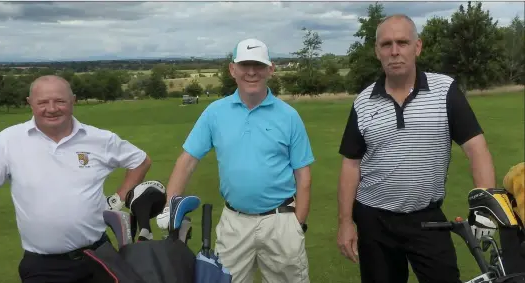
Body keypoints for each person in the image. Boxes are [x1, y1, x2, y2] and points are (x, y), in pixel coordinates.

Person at [336, 14, 496, 283]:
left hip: (427, 218)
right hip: (374, 221)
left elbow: (476, 149)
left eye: (402, 42)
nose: (395, 51)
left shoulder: (445, 91)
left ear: (417, 47)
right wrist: (345, 222)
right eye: (386, 44)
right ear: (377, 51)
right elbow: (351, 165)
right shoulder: (363, 102)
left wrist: (485, 210)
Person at [0, 75, 152, 283]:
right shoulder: (7, 141)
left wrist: (118, 200)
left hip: (99, 256)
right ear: (30, 103)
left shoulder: (101, 139)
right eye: (42, 102)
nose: (52, 108)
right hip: (43, 266)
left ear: (73, 100)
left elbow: (140, 161)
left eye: (60, 101)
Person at [156, 38, 315, 283]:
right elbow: (187, 161)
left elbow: (303, 175)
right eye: (244, 65)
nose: (251, 72)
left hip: (281, 221)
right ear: (233, 69)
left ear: (270, 70)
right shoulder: (215, 113)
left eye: (258, 65)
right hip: (234, 223)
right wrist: (170, 207)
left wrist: (297, 224)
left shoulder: (289, 116)